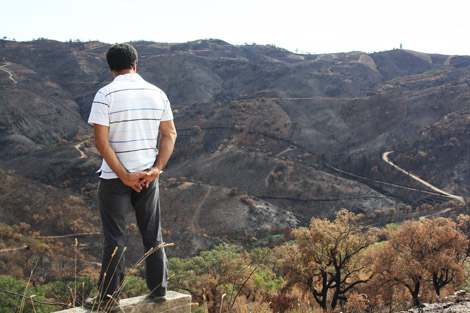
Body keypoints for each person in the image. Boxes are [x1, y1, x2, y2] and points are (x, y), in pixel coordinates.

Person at [85, 43, 177, 311]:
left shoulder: (105, 94)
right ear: (136, 64)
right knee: (152, 233)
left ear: (110, 67)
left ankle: (110, 298)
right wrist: (156, 169)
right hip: (148, 177)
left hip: (115, 180)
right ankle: (159, 290)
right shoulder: (157, 94)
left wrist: (124, 175)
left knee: (114, 237)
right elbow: (170, 134)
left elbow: (101, 142)